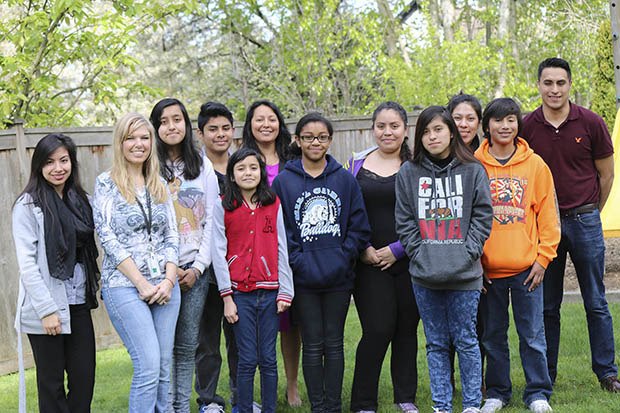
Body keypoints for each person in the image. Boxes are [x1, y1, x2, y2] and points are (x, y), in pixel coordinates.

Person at [522, 57, 620, 392]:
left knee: (596, 301)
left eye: (560, 83)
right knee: (547, 305)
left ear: (570, 84)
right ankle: (546, 374)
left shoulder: (590, 122)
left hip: (584, 220)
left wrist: (592, 210)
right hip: (543, 226)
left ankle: (607, 373)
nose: (554, 89)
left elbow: (606, 175)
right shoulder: (526, 126)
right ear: (539, 85)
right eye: (547, 83)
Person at [395, 106, 493, 413]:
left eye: (437, 129)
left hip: (465, 275)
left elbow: (482, 215)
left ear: (451, 131)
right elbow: (405, 221)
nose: (431, 136)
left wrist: (468, 252)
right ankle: (441, 406)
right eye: (425, 131)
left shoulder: (473, 170)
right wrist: (420, 254)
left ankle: (472, 405)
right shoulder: (408, 173)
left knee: (466, 341)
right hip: (425, 275)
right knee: (436, 343)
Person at [272, 112, 371, 413]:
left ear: (330, 140)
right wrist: (299, 261)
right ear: (298, 141)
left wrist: (343, 257)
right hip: (304, 279)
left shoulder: (344, 180)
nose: (316, 142)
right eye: (309, 137)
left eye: (322, 137)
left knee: (335, 343)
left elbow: (359, 226)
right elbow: (282, 231)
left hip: (339, 277)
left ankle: (334, 405)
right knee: (313, 344)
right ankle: (318, 406)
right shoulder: (284, 183)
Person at [475, 98, 559, 413]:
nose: (505, 126)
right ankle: (497, 392)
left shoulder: (535, 165)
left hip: (528, 270)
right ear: (487, 126)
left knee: (533, 335)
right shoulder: (474, 165)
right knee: (493, 336)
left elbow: (549, 218)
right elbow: (468, 219)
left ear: (518, 124)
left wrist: (543, 259)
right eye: (498, 120)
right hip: (488, 272)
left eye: (511, 119)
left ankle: (538, 393)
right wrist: (474, 263)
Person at [93, 112, 180, 412]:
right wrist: (141, 283)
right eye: (131, 137)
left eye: (144, 138)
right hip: (126, 286)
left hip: (166, 285)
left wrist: (169, 281)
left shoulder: (159, 183)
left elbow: (173, 234)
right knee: (148, 364)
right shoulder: (106, 184)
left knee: (164, 367)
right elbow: (107, 238)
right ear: (120, 142)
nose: (138, 144)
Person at [13, 134, 100, 413]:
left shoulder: (82, 201)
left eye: (64, 160)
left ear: (72, 163)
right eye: (50, 162)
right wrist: (47, 310)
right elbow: (27, 264)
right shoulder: (28, 205)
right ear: (39, 165)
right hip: (46, 309)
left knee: (84, 380)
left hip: (78, 304)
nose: (58, 168)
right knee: (51, 387)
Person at [345, 102, 420, 413]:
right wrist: (363, 250)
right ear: (372, 129)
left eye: (394, 126)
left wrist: (397, 249)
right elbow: (346, 211)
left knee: (406, 329)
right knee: (377, 329)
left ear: (405, 130)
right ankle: (363, 402)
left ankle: (405, 398)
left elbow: (426, 217)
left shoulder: (417, 166)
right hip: (368, 262)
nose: (387, 132)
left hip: (410, 261)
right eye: (381, 126)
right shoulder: (356, 165)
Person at [211, 147, 294, 413]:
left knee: (268, 359)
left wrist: (285, 291)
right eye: (241, 168)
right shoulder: (223, 206)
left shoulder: (273, 204)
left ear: (261, 172)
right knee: (246, 359)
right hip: (239, 295)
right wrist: (227, 298)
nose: (248, 173)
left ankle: (269, 409)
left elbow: (281, 247)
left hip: (270, 292)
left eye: (253, 168)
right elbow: (218, 253)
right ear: (232, 175)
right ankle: (244, 408)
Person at [149, 98, 219, 412]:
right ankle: (163, 405)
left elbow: (212, 222)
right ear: (156, 127)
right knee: (161, 348)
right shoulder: (149, 166)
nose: (171, 126)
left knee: (188, 345)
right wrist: (169, 269)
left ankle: (181, 406)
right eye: (163, 121)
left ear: (186, 124)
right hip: (161, 273)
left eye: (177, 119)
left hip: (194, 270)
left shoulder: (202, 166)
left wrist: (199, 267)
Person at [242, 100, 302, 407]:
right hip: (254, 257)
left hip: (291, 249)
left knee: (290, 324)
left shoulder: (295, 157)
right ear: (249, 124)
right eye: (258, 119)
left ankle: (291, 385)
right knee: (254, 328)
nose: (266, 124)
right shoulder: (242, 159)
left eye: (272, 119)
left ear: (279, 122)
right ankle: (253, 390)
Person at [195, 101, 240, 413]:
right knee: (207, 339)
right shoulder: (195, 173)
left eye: (225, 128)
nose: (220, 134)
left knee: (240, 339)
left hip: (240, 267)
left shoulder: (244, 167)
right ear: (201, 134)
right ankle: (209, 400)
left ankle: (242, 395)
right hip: (205, 266)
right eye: (213, 129)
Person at [447, 93, 487, 393]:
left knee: (479, 326)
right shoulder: (437, 154)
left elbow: (486, 213)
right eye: (457, 117)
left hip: (481, 254)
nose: (464, 124)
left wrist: (477, 257)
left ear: (479, 122)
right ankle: (444, 382)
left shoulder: (486, 156)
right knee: (446, 330)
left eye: (470, 118)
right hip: (444, 254)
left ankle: (479, 383)